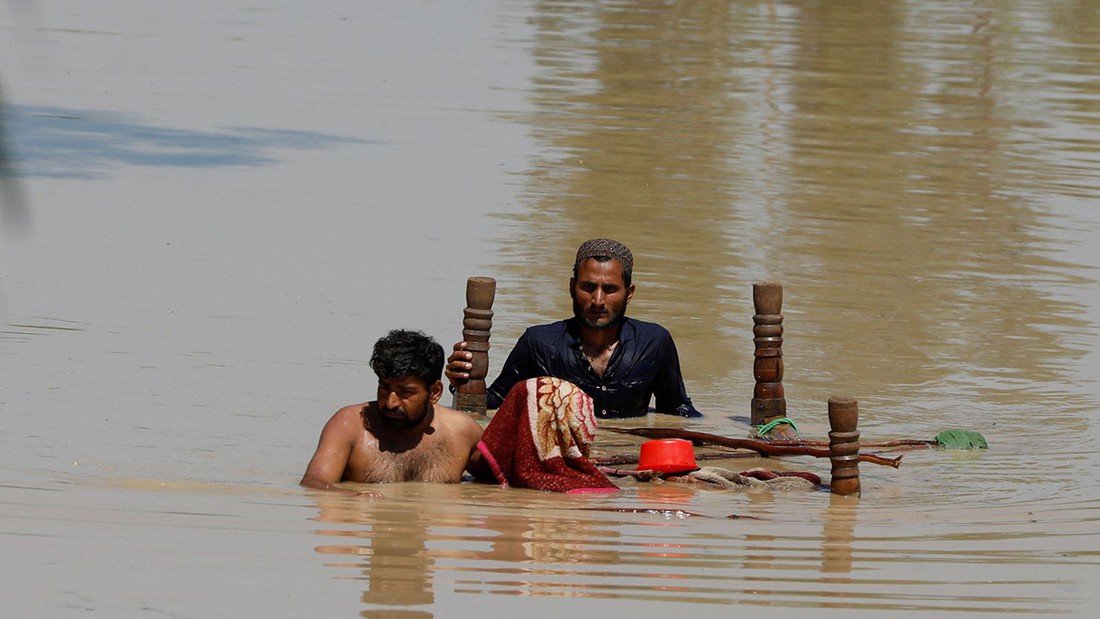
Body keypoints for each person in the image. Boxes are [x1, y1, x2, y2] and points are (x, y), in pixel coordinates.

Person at [446, 239, 702, 419]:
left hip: (627, 462)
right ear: (572, 287)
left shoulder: (654, 342)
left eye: (610, 289)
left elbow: (677, 413)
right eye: (588, 287)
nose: (598, 300)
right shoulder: (539, 343)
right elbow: (493, 404)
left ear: (629, 293)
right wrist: (461, 382)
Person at [301, 329, 487, 493]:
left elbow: (503, 482)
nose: (391, 403)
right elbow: (314, 483)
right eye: (384, 387)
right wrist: (350, 498)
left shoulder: (463, 433)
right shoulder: (348, 425)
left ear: (435, 392)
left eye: (405, 392)